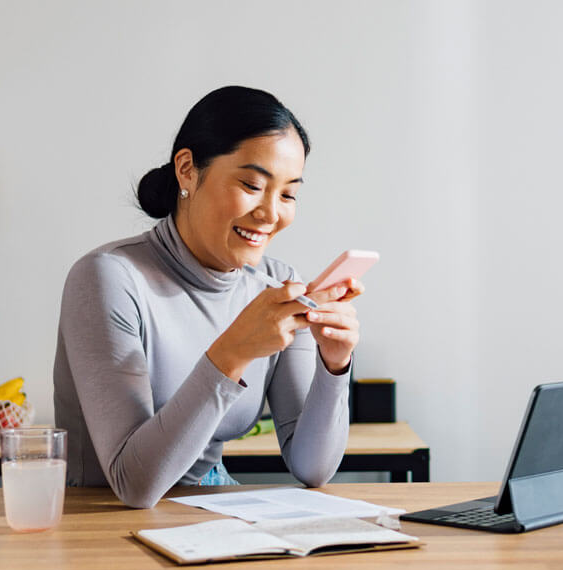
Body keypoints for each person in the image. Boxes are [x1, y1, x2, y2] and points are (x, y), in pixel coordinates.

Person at [53, 86, 363, 508]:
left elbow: (312, 467)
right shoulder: (108, 278)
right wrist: (234, 351)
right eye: (252, 184)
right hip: (105, 528)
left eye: (288, 193)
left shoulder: (277, 284)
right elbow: (135, 484)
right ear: (187, 170)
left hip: (212, 514)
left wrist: (334, 363)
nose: (271, 213)